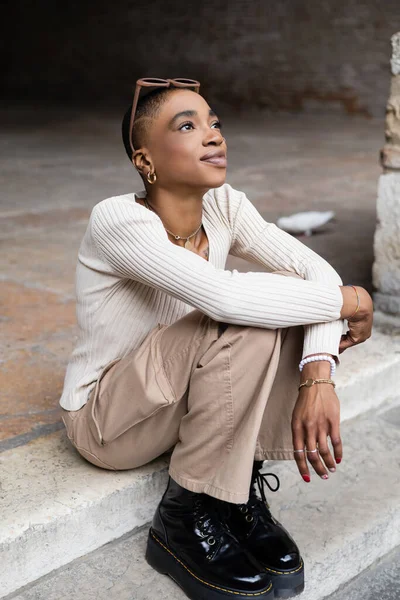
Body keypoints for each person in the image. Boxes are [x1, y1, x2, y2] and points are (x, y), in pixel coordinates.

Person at [59, 77, 373, 600]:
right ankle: (183, 518)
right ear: (145, 161)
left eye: (214, 123)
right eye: (187, 126)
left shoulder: (224, 205)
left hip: (173, 401)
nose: (213, 136)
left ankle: (235, 496)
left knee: (286, 300)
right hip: (107, 421)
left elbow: (315, 273)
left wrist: (319, 372)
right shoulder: (117, 219)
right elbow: (227, 299)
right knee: (246, 310)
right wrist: (353, 301)